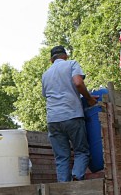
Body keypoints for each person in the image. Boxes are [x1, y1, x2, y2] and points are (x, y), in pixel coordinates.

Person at [42, 45, 98, 182]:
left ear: (51, 60)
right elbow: (78, 83)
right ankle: (77, 176)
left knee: (61, 157)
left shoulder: (45, 75)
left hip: (53, 120)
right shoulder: (71, 64)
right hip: (72, 115)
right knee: (81, 151)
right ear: (65, 56)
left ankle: (63, 190)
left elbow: (46, 95)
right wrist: (89, 99)